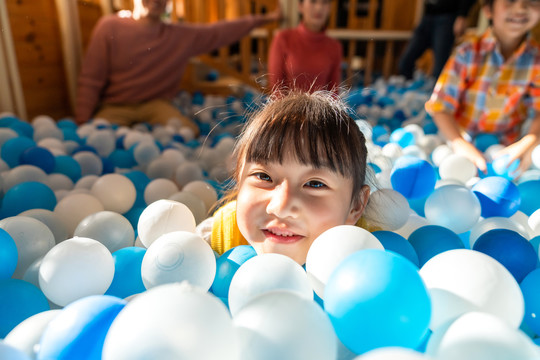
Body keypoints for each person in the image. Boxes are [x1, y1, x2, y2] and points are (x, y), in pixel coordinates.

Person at [196, 90, 371, 265]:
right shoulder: (214, 240)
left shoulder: (369, 256)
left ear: (355, 206)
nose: (281, 207)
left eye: (315, 184)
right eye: (263, 177)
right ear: (238, 183)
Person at [75, 0, 281, 133]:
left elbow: (220, 31)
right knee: (92, 136)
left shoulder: (179, 36)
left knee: (188, 132)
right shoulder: (110, 27)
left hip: (156, 105)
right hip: (115, 107)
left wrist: (265, 19)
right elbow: (91, 79)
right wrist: (82, 121)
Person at [425, 0, 540, 175]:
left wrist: (530, 140)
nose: (521, 7)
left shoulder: (536, 61)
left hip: (506, 149)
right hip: (459, 140)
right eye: (510, 0)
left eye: (532, 0)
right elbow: (440, 107)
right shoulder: (467, 54)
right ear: (488, 9)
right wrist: (460, 144)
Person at [268, 0, 342, 93]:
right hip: (286, 106)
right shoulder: (282, 39)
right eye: (313, 1)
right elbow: (276, 89)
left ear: (330, 8)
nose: (319, 8)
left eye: (325, 2)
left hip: (321, 107)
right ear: (300, 6)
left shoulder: (334, 46)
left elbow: (334, 93)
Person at [398, 0, 477, 80]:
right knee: (405, 63)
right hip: (428, 15)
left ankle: (437, 90)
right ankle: (408, 88)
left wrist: (462, 15)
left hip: (447, 16)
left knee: (439, 69)